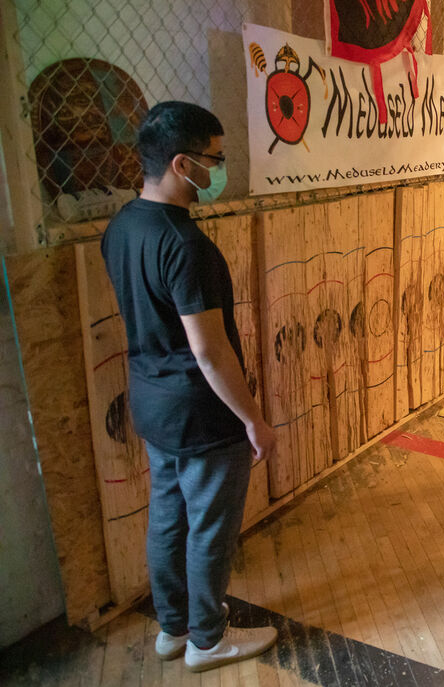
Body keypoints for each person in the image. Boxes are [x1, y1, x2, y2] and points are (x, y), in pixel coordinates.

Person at [101, 101, 278, 673]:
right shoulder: (186, 245)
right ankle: (208, 637)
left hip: (151, 402)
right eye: (215, 159)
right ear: (182, 163)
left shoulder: (123, 226)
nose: (219, 169)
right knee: (210, 527)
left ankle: (172, 629)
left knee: (168, 517)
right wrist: (252, 419)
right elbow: (208, 349)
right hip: (201, 414)